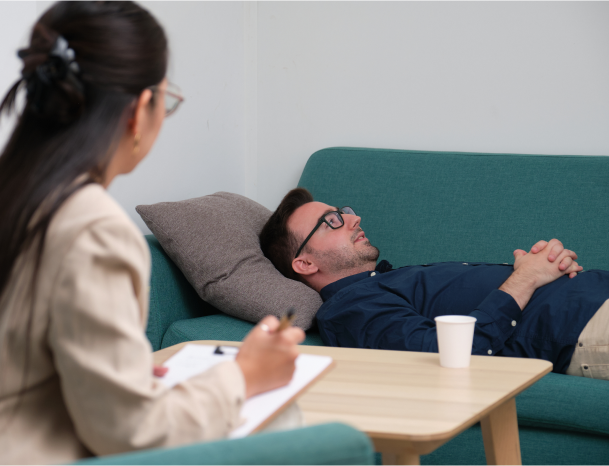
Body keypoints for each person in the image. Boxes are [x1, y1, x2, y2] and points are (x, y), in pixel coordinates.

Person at [0, 2, 304, 465]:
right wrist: (244, 376)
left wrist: (123, 372)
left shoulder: (19, 198)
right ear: (141, 109)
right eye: (168, 100)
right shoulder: (93, 230)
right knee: (284, 418)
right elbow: (129, 434)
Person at [259, 188, 609, 380]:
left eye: (344, 211)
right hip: (585, 327)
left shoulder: (385, 282)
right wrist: (526, 278)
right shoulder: (350, 308)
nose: (354, 218)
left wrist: (542, 266)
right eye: (332, 221)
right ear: (305, 263)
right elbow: (450, 355)